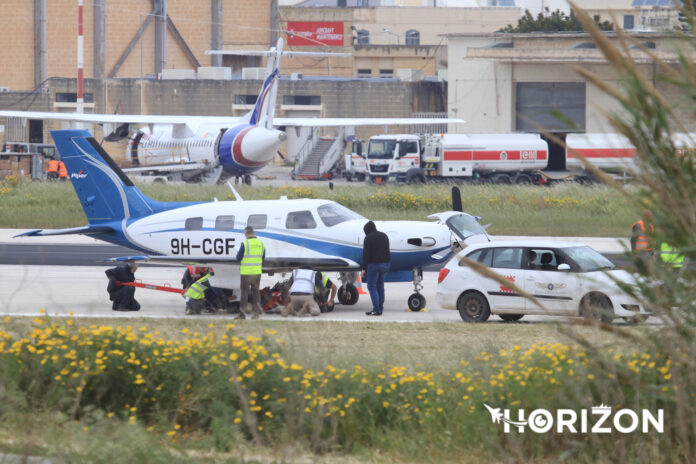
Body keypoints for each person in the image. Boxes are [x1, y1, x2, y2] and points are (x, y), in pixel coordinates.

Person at [235, 226, 265, 320]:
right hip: (257, 272)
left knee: (244, 293)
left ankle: (242, 314)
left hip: (246, 273)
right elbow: (262, 258)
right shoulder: (261, 244)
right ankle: (256, 314)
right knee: (256, 292)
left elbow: (238, 258)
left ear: (246, 233)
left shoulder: (245, 243)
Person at [362, 220, 390, 316]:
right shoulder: (384, 236)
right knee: (380, 286)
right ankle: (380, 308)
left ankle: (376, 309)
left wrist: (363, 269)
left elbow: (366, 255)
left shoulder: (368, 238)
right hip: (385, 264)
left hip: (374, 265)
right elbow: (387, 250)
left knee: (372, 287)